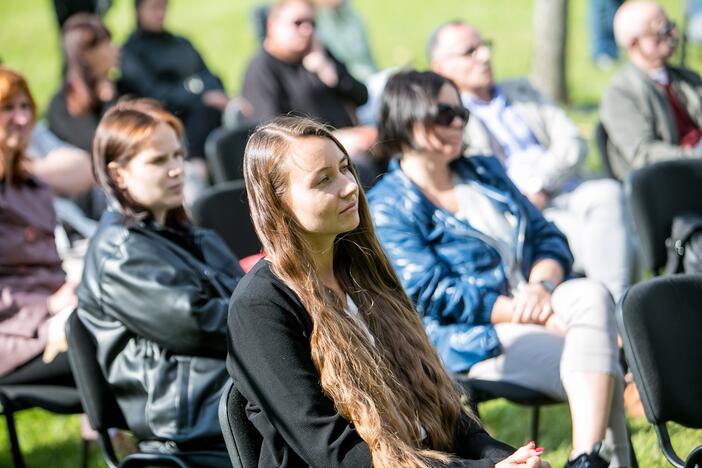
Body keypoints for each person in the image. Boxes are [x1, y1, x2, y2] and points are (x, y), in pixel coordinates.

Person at [227, 115, 548, 467]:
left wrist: (509, 459)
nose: (349, 186)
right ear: (278, 203)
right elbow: (338, 455)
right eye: (323, 180)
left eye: (345, 168)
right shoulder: (261, 305)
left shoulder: (365, 270)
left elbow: (444, 407)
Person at [367, 70, 630, 467]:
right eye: (445, 112)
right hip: (472, 334)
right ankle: (605, 459)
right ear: (408, 118)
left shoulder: (483, 171)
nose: (459, 122)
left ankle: (583, 457)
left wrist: (542, 289)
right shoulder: (388, 203)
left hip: (538, 302)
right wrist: (525, 313)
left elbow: (549, 238)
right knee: (600, 357)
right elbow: (433, 293)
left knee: (593, 295)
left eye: (462, 112)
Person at [77, 99, 243, 465]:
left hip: (224, 389)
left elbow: (244, 297)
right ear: (118, 174)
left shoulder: (186, 232)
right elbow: (199, 324)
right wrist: (277, 319)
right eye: (158, 161)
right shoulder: (120, 254)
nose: (176, 170)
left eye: (177, 156)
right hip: (191, 416)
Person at [429, 21, 634, 301]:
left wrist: (542, 182)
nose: (485, 56)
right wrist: (526, 195)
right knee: (598, 241)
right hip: (523, 209)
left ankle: (619, 312)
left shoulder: (522, 90)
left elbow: (572, 140)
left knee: (608, 194)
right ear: (441, 67)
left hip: (565, 186)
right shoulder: (451, 119)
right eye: (470, 52)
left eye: (484, 46)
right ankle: (620, 316)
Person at [0, 66, 77, 385]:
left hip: (61, 311)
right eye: (7, 108)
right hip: (14, 332)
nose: (21, 118)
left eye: (25, 107)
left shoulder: (32, 186)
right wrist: (47, 304)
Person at [241, 0, 378, 172]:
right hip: (310, 163)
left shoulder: (317, 52)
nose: (307, 30)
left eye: (312, 23)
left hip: (354, 143)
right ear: (272, 24)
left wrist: (330, 73)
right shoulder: (262, 69)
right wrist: (334, 142)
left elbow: (362, 96)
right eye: (298, 23)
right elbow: (271, 134)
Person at [600, 0, 702, 180]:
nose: (673, 34)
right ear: (633, 43)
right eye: (661, 30)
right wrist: (694, 157)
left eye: (670, 26)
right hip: (670, 184)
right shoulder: (620, 94)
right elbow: (644, 154)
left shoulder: (687, 79)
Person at [119, 0, 229, 160]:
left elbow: (211, 77)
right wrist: (199, 93)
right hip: (169, 122)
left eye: (163, 7)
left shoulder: (181, 43)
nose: (160, 13)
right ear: (138, 10)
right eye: (153, 8)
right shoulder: (131, 53)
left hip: (205, 114)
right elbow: (155, 95)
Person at [48, 13, 119, 153]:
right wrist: (109, 103)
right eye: (106, 44)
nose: (115, 50)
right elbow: (97, 147)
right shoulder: (62, 105)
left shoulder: (119, 85)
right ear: (85, 54)